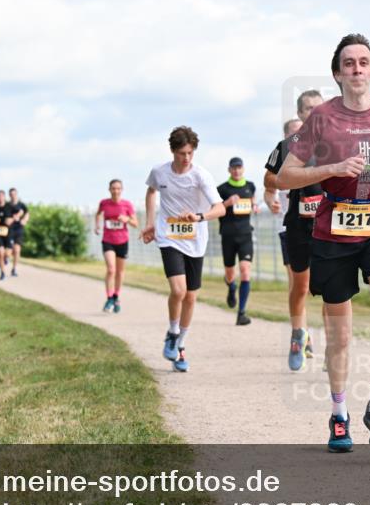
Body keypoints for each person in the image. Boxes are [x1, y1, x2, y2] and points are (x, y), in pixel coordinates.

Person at [277, 34, 370, 453]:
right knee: (340, 336)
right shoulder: (321, 118)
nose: (357, 70)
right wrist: (333, 166)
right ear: (338, 73)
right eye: (349, 64)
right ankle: (339, 415)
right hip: (333, 230)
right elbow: (286, 175)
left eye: (363, 62)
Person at [140, 126, 225, 372]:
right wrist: (149, 223)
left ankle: (180, 346)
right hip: (168, 236)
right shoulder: (159, 172)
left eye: (190, 153)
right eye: (181, 153)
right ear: (173, 151)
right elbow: (151, 191)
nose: (186, 158)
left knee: (191, 296)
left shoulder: (201, 176)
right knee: (178, 290)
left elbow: (220, 208)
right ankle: (172, 332)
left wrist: (199, 217)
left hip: (195, 239)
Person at [265, 90, 325, 371]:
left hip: (330, 225)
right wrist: (289, 181)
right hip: (298, 225)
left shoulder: (338, 143)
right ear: (300, 115)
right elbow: (269, 178)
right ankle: (297, 334)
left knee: (330, 288)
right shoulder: (287, 145)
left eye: (318, 107)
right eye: (308, 109)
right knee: (300, 286)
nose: (313, 112)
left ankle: (334, 346)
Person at [216, 156, 258, 325]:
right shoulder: (221, 189)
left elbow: (253, 201)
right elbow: (214, 209)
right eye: (233, 168)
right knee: (230, 274)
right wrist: (227, 203)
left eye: (239, 167)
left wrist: (255, 206)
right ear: (229, 170)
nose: (236, 170)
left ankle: (241, 313)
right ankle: (232, 287)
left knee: (245, 271)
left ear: (243, 169)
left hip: (245, 235)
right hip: (227, 235)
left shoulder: (250, 186)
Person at [95, 179, 138, 313]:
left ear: (122, 190)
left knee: (119, 272)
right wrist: (97, 225)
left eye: (118, 188)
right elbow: (98, 214)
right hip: (108, 240)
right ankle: (109, 298)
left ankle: (116, 296)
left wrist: (127, 219)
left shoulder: (127, 205)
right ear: (109, 189)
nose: (116, 191)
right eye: (113, 188)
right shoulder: (104, 203)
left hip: (122, 241)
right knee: (111, 270)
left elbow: (135, 223)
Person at [7, 188, 29, 277]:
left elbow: (27, 213)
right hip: (9, 229)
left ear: (17, 194)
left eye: (14, 194)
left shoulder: (22, 205)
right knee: (9, 251)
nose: (13, 195)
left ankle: (14, 269)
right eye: (11, 194)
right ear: (9, 195)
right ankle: (5, 258)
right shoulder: (7, 205)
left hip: (18, 229)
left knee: (17, 250)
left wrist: (24, 220)